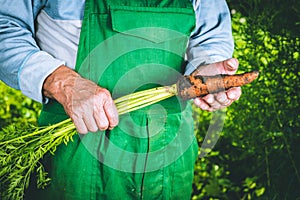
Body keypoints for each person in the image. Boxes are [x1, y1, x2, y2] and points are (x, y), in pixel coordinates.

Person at [0, 0, 241, 199]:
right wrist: (63, 83)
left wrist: (207, 71)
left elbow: (210, 38)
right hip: (74, 138)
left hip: (168, 145)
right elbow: (5, 26)